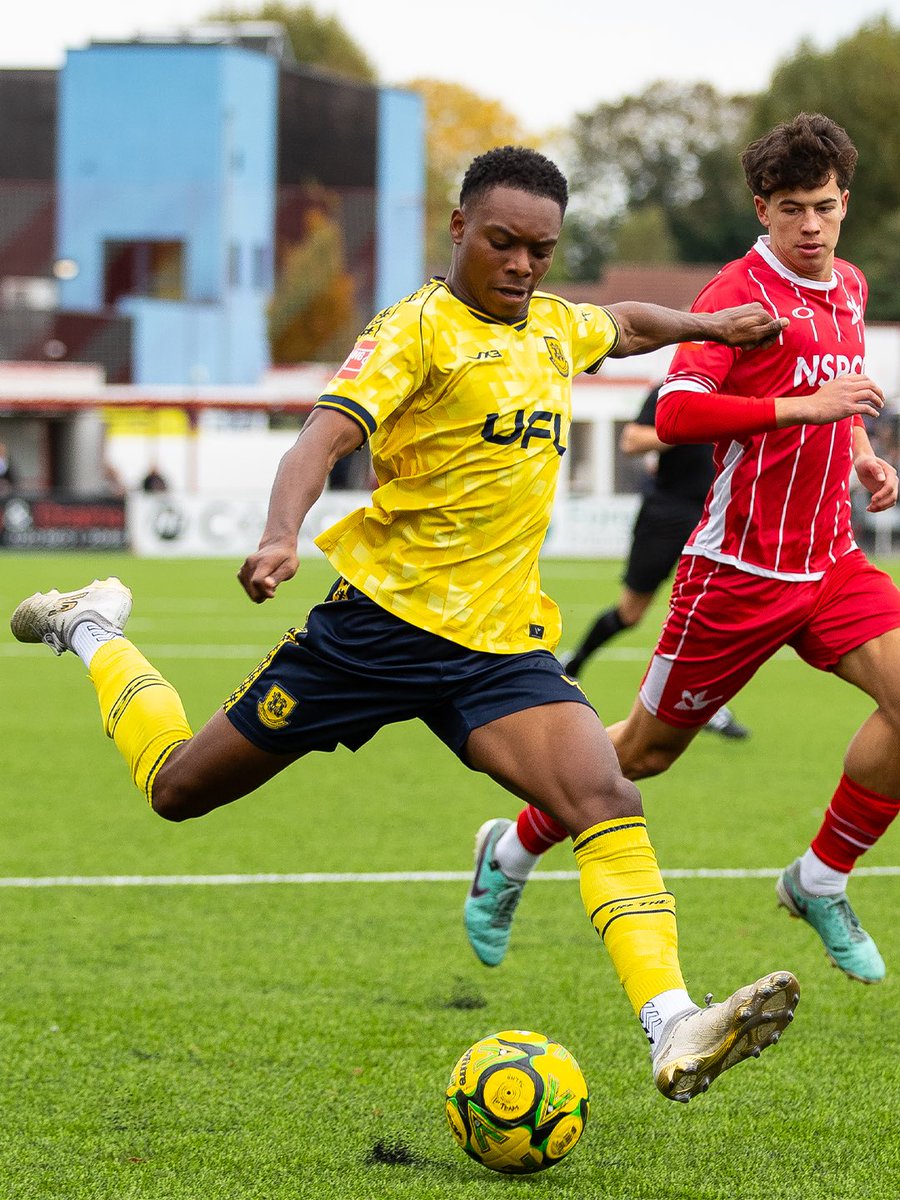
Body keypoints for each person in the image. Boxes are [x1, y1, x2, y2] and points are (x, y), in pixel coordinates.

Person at [10, 145, 798, 1105]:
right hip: (374, 634)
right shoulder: (414, 331)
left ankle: (672, 1022)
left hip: (499, 647)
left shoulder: (555, 325)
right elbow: (322, 437)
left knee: (605, 797)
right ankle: (94, 626)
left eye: (541, 250)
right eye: (502, 242)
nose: (521, 265)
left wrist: (710, 323)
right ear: (458, 228)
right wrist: (280, 533)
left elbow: (626, 322)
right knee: (177, 790)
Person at [464, 115, 899, 990]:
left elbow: (835, 392)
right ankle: (509, 849)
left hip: (831, 564)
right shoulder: (736, 295)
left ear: (844, 204)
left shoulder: (849, 285)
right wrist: (801, 412)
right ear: (762, 209)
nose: (810, 226)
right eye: (791, 209)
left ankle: (819, 879)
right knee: (642, 753)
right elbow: (674, 415)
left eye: (823, 207)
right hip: (737, 574)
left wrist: (858, 451)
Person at [561, 382, 750, 740]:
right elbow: (632, 441)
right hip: (667, 513)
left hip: (717, 515)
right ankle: (574, 663)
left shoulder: (741, 391)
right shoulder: (672, 389)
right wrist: (689, 423)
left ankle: (704, 704)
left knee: (710, 613)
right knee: (630, 613)